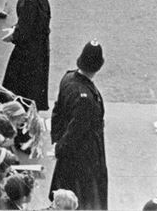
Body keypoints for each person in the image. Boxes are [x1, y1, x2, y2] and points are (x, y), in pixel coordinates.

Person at [49, 41, 108, 209]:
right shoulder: (86, 99)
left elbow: (57, 112)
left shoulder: (67, 78)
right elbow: (76, 131)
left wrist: (57, 141)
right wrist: (60, 147)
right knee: (87, 199)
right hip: (85, 156)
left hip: (69, 151)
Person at [2, 0, 54, 110]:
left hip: (35, 52)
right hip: (29, 57)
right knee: (25, 94)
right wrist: (15, 34)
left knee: (29, 94)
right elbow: (24, 32)